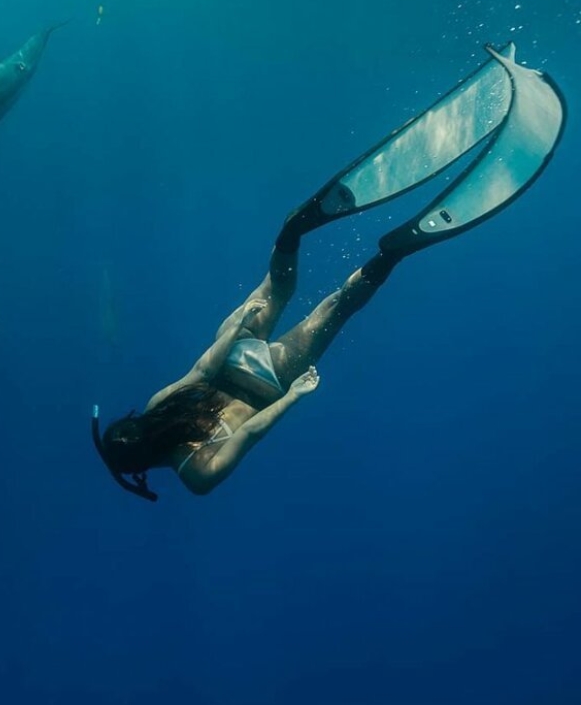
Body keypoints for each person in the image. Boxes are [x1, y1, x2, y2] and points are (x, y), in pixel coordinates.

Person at [92, 44, 566, 500]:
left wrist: (294, 397)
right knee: (278, 283)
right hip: (233, 357)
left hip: (267, 384)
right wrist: (234, 330)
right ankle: (294, 229)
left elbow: (251, 431)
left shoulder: (194, 475)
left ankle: (392, 253)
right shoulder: (157, 407)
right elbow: (202, 369)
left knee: (336, 309)